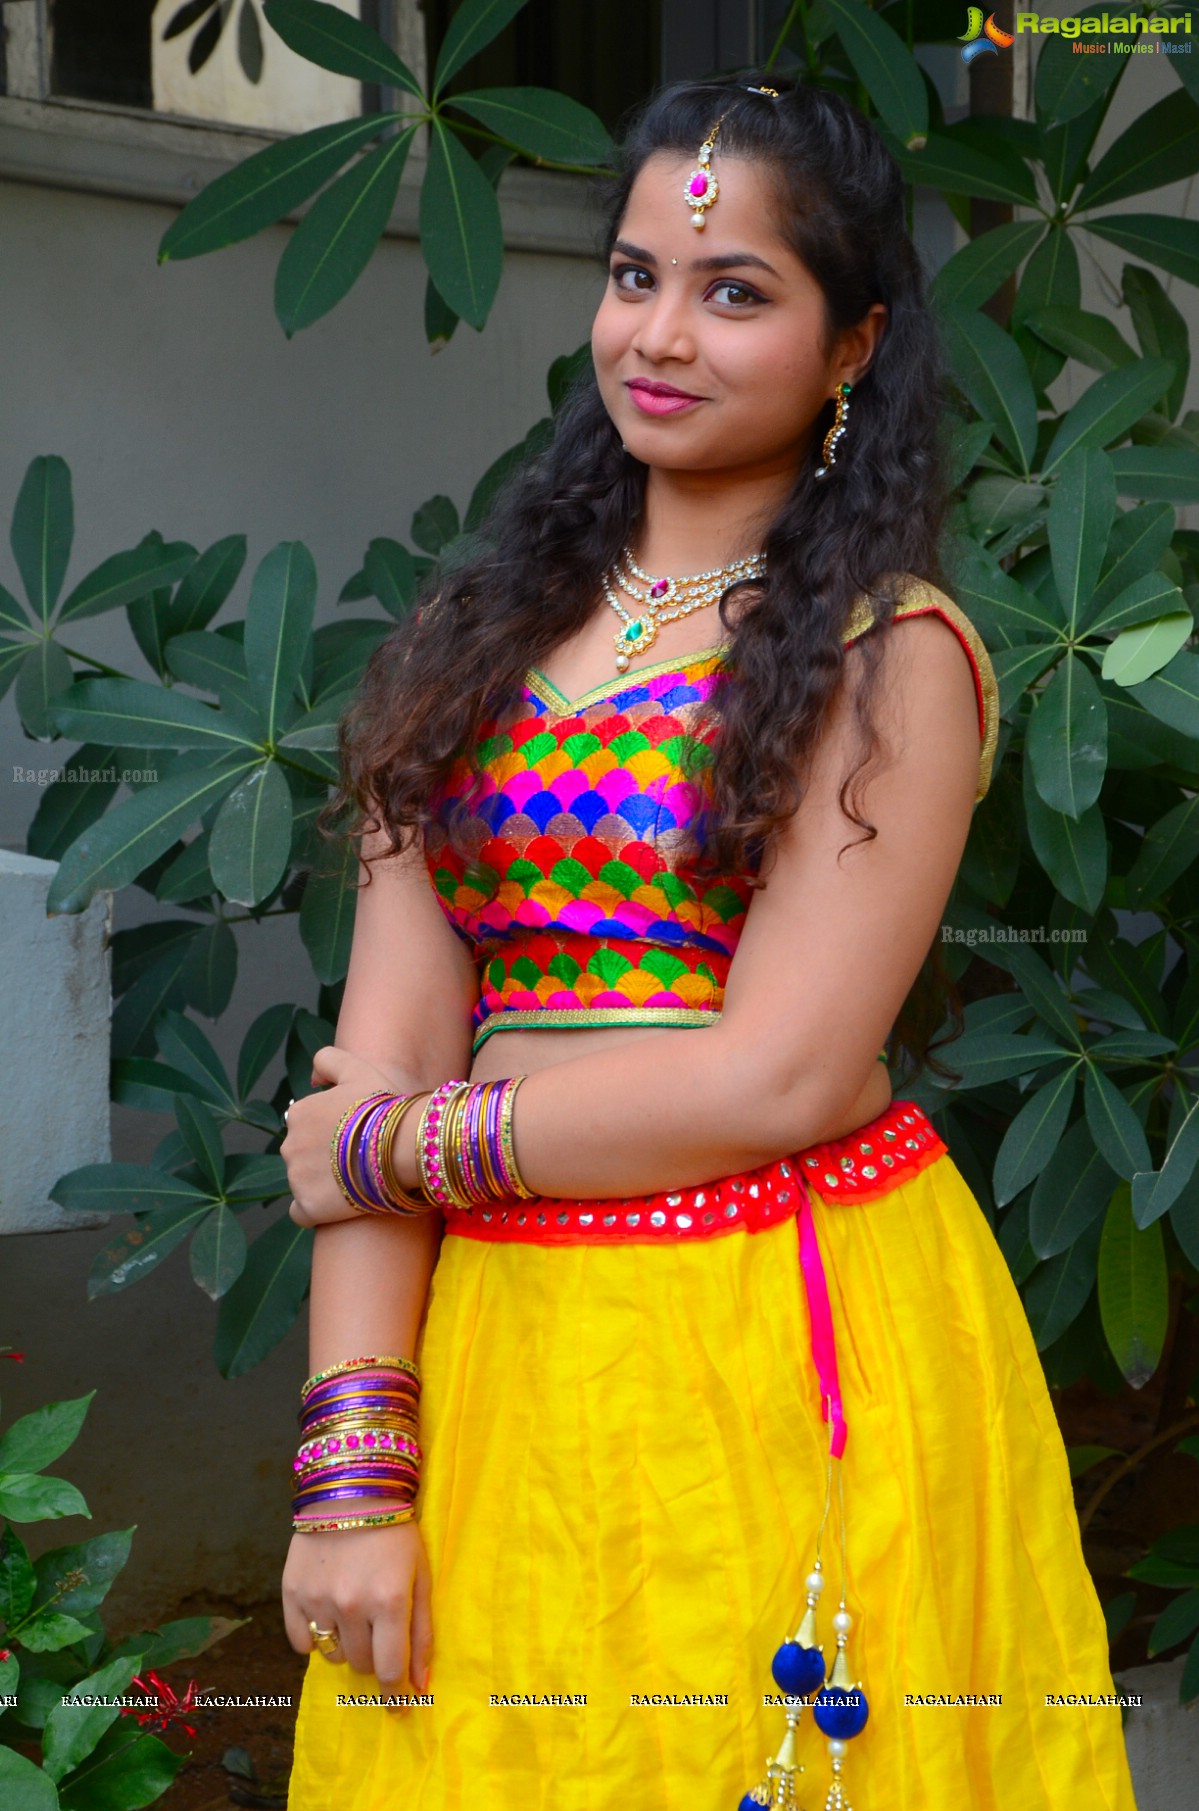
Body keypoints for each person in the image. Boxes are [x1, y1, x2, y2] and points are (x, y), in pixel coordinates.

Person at [279, 74, 1138, 1811]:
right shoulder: (472, 638)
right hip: (507, 1354)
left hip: (780, 1329)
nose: (660, 332)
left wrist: (396, 1143)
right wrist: (354, 1479)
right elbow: (382, 1049)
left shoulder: (889, 655)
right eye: (634, 277)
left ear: (850, 347)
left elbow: (781, 1076)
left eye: (736, 291)